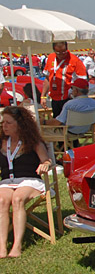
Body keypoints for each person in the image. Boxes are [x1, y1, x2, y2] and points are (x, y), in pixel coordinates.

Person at [0, 106, 55, 258]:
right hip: (7, 181)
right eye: (3, 122)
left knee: (18, 199)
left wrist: (45, 164)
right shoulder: (1, 142)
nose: (4, 126)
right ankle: (2, 246)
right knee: (1, 200)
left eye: (8, 123)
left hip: (30, 181)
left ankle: (17, 245)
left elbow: (46, 160)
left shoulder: (32, 141)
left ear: (20, 124)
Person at [43, 40, 87, 118]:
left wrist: (74, 93)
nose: (61, 54)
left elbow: (83, 81)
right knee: (57, 122)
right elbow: (47, 78)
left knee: (68, 123)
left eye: (63, 51)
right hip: (54, 98)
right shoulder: (51, 58)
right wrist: (43, 96)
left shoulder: (74, 60)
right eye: (58, 52)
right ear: (54, 50)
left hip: (69, 98)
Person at [51, 77, 95, 143]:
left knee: (42, 131)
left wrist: (43, 122)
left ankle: (50, 152)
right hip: (85, 130)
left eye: (72, 88)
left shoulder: (70, 104)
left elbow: (58, 122)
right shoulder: (94, 103)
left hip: (69, 132)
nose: (71, 90)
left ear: (76, 91)